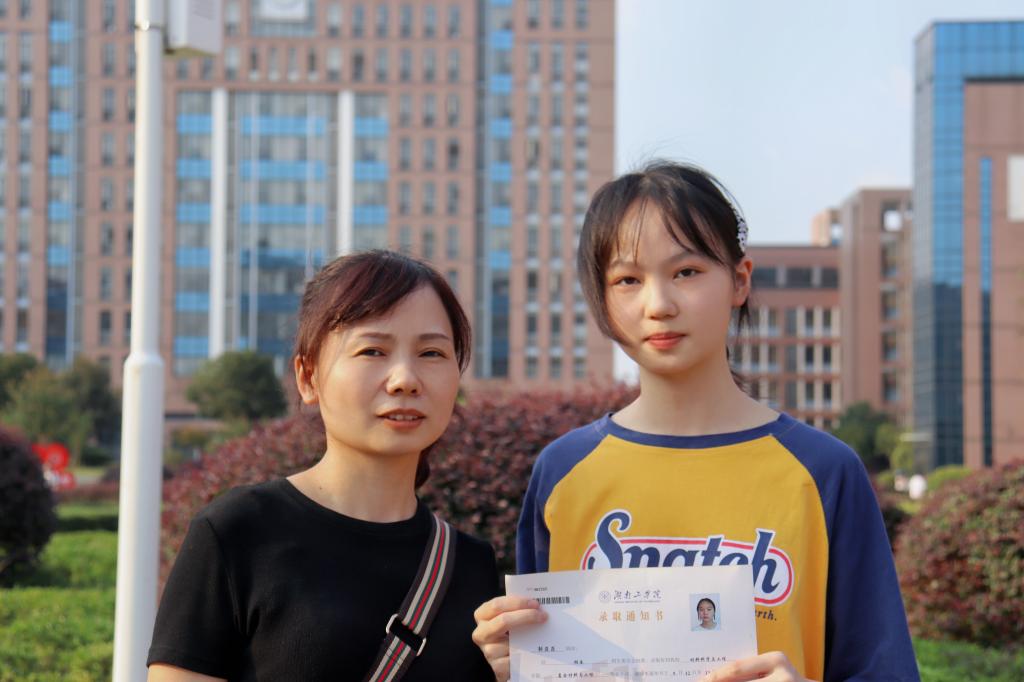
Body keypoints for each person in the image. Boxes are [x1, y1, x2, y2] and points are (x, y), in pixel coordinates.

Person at [472, 162, 919, 682]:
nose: (658, 304)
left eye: (686, 272)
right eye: (628, 280)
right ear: (602, 302)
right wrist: (512, 665)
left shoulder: (824, 471)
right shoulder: (564, 471)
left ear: (739, 280)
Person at [148, 250, 499, 681]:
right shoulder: (237, 533)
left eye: (431, 353)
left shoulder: (471, 565)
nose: (405, 379)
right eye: (372, 350)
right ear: (307, 377)